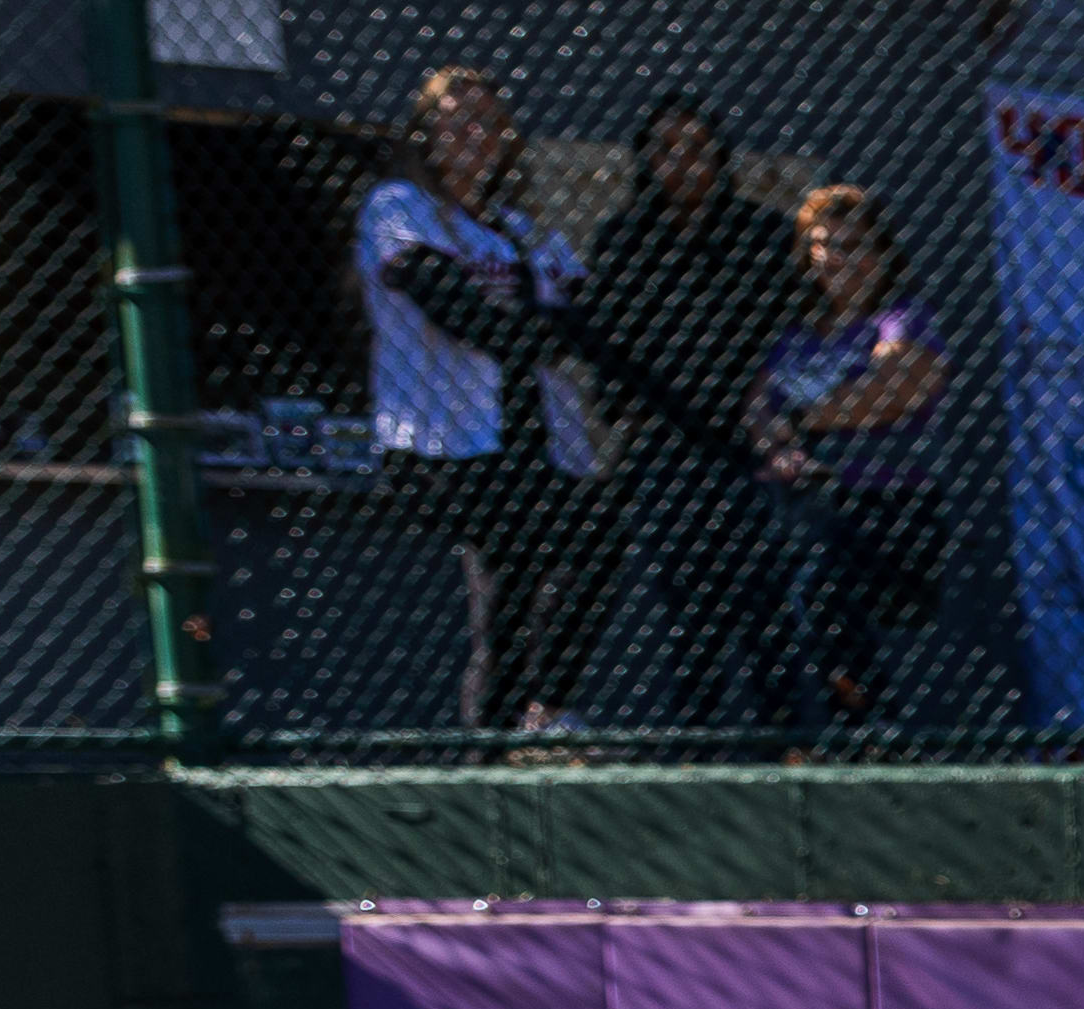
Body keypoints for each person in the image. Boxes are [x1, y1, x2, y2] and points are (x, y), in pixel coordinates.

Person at [356, 64, 611, 736]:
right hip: (441, 439)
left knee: (583, 544)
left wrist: (556, 330)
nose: (475, 132)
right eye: (455, 118)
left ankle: (535, 715)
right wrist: (546, 333)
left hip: (529, 435)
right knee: (517, 561)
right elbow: (458, 311)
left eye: (489, 121)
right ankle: (508, 732)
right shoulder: (399, 209)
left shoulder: (521, 232)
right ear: (425, 132)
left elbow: (591, 318)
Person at [582, 93, 791, 737]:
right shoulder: (623, 239)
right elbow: (606, 342)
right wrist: (629, 409)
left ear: (720, 157)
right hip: (667, 447)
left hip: (749, 442)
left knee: (766, 601)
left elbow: (783, 333)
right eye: (666, 149)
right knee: (689, 605)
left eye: (697, 147)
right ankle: (698, 746)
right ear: (646, 161)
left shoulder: (762, 234)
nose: (682, 162)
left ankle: (785, 746)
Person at [752, 184, 951, 727]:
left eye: (855, 245)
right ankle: (794, 732)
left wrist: (802, 420)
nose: (840, 258)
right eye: (826, 245)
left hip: (887, 501)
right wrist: (782, 446)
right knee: (762, 579)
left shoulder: (902, 319)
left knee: (818, 572)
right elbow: (758, 410)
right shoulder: (793, 338)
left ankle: (867, 718)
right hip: (798, 497)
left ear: (883, 254)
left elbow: (896, 389)